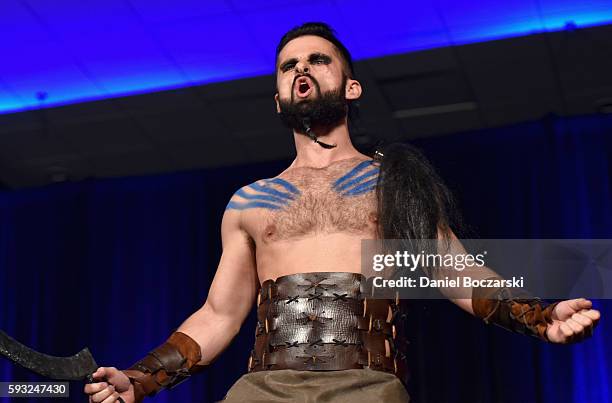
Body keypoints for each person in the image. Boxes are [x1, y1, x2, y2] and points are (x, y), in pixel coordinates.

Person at [84, 22, 601, 403]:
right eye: (289, 66)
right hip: (261, 389)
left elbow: (451, 269)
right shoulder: (249, 201)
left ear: (351, 89)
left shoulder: (390, 183)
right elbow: (220, 314)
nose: (301, 69)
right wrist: (142, 378)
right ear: (278, 99)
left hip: (365, 387)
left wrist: (539, 317)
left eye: (317, 60)